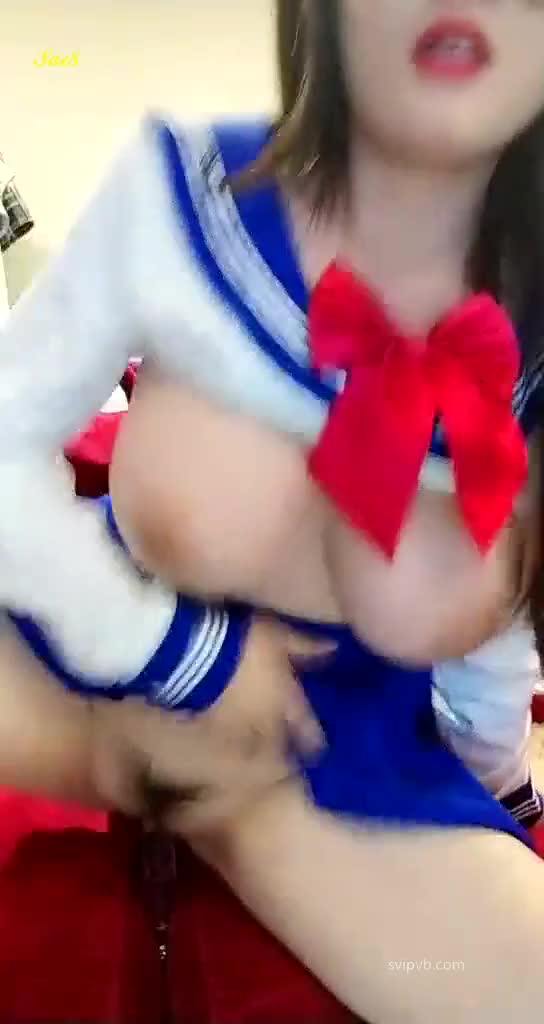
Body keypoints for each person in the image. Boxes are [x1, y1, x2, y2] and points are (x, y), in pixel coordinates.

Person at [1, 1, 544, 1021]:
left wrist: (495, 790)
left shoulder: (529, 328)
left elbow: (500, 619)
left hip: (339, 755)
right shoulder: (182, 192)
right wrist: (173, 663)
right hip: (81, 645)